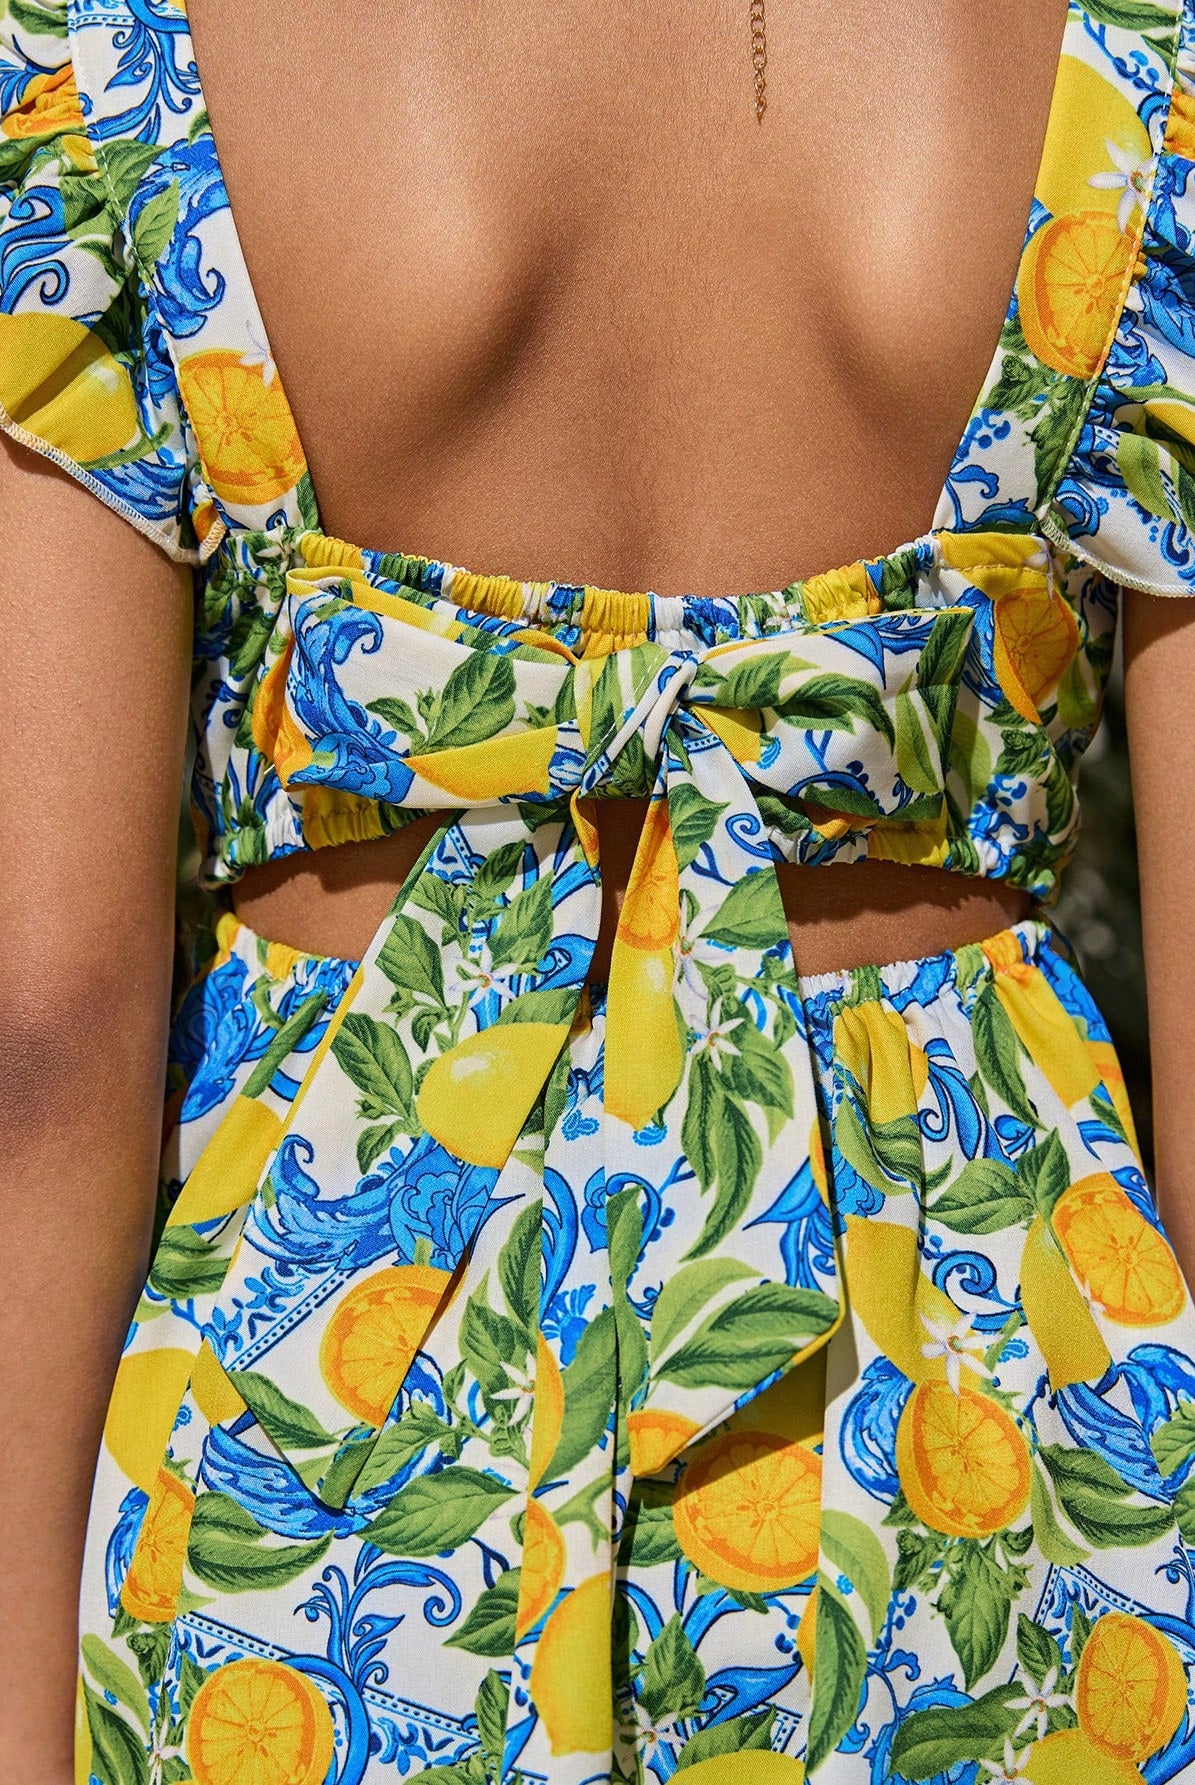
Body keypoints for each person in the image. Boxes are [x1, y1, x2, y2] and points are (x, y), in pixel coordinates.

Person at [5, 0, 1195, 1778]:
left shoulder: (108, 60)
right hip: (978, 1419)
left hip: (331, 1407)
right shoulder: (1146, 63)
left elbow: (44, 1035)